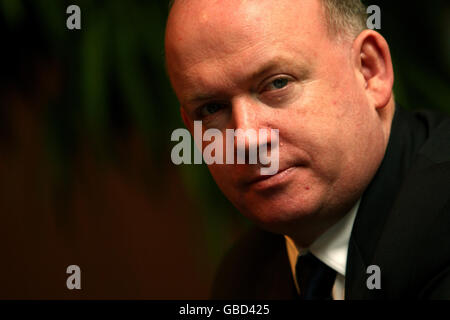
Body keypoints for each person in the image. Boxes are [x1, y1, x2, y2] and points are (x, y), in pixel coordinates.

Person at [164, 0, 450, 299]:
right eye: (211, 108)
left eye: (276, 84)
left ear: (369, 70)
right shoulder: (243, 277)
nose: (246, 139)